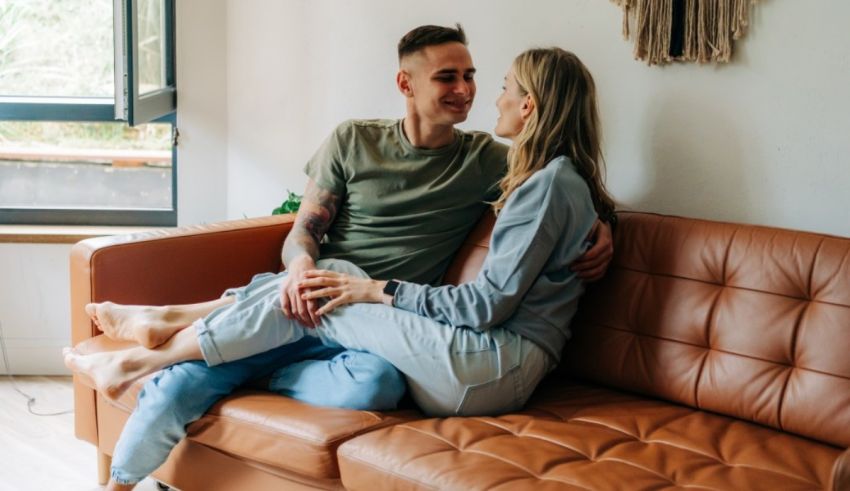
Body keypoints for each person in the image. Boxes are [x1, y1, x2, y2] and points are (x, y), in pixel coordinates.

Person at [69, 24, 614, 490]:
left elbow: (558, 190)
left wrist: (603, 227)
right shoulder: (354, 140)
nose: (468, 91)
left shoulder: (490, 162)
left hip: (383, 335)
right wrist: (300, 270)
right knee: (297, 302)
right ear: (406, 84)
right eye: (448, 77)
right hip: (309, 300)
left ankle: (197, 331)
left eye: (473, 77)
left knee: (377, 384)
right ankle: (130, 437)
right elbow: (302, 232)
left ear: (528, 104)